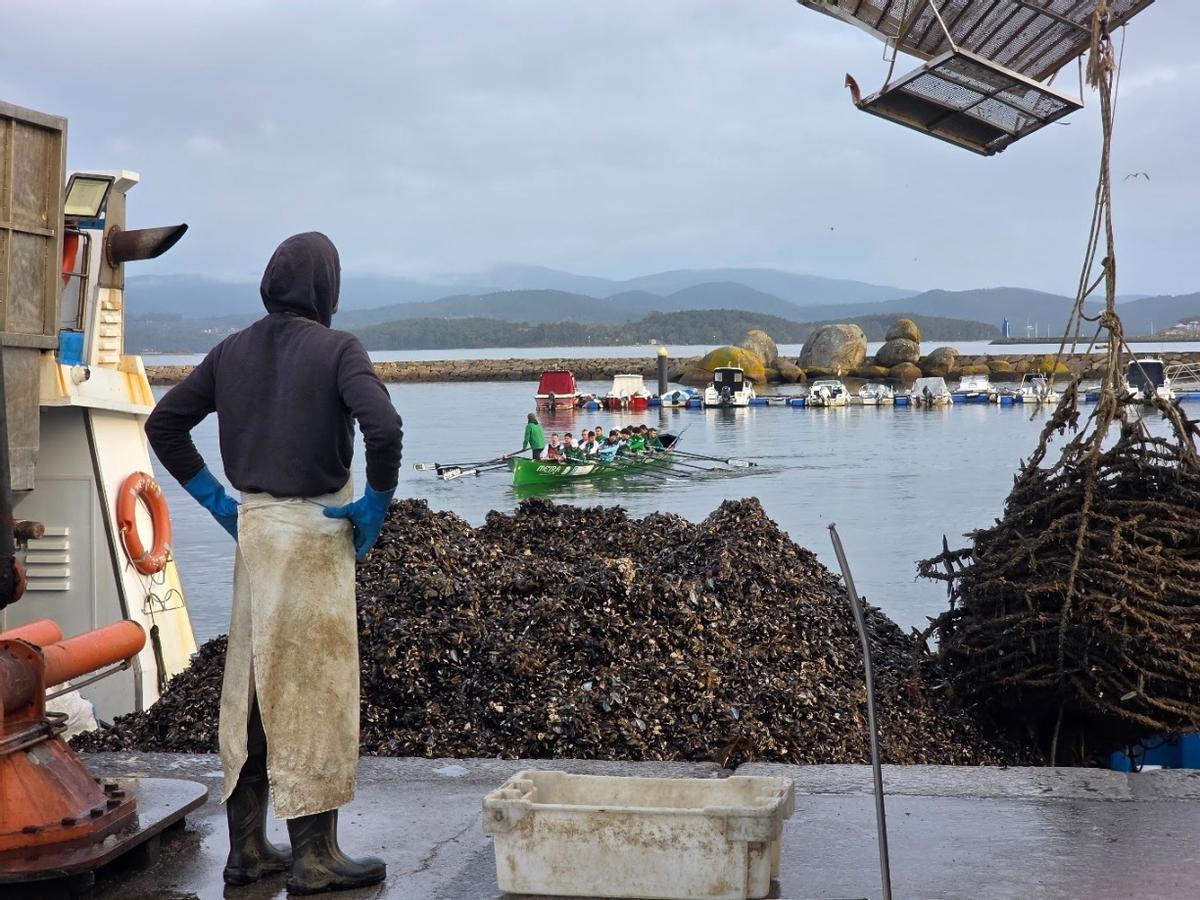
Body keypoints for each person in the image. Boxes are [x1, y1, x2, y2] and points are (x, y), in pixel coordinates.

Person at [145, 233, 401, 894]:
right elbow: (384, 426)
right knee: (313, 688)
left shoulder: (231, 349)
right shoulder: (338, 349)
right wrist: (376, 499)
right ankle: (315, 856)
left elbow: (164, 424)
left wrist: (216, 501)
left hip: (255, 533)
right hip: (315, 535)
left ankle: (249, 850)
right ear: (326, 289)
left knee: (251, 689)